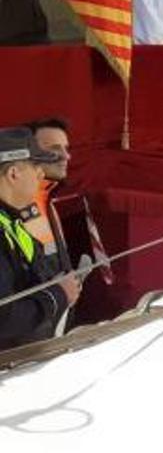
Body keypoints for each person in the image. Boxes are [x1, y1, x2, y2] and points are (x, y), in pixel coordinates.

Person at [0, 127, 80, 348]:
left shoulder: (12, 223)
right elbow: (3, 316)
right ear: (14, 173)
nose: (41, 174)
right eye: (36, 166)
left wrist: (64, 286)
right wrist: (58, 296)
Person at [24, 118, 70, 270]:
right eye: (55, 148)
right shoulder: (12, 205)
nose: (66, 156)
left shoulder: (47, 200)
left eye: (66, 148)